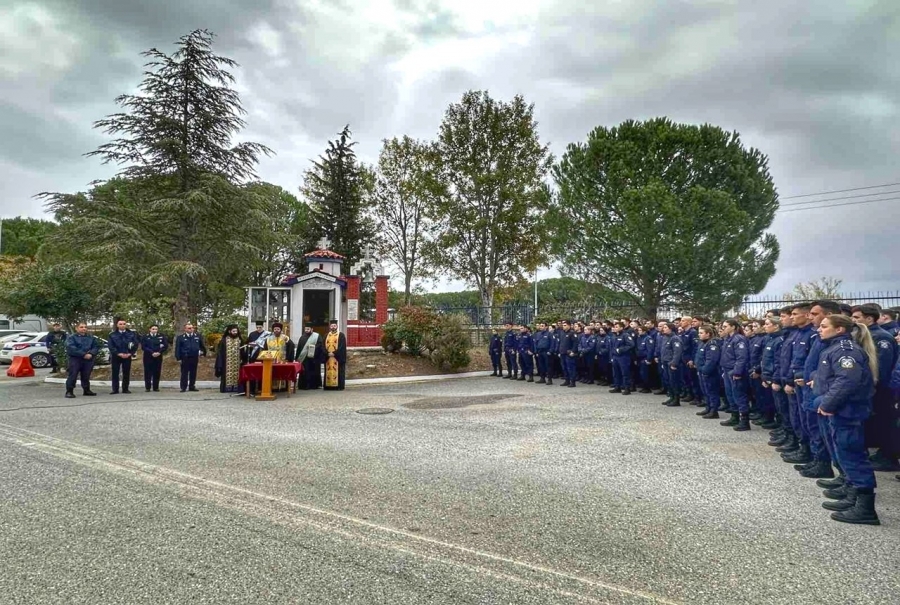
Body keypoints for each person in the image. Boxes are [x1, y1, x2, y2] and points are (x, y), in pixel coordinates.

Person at [813, 314, 881, 525]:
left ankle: (865, 508)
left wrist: (827, 404)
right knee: (845, 452)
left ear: (840, 329)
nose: (819, 329)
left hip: (847, 411)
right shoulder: (835, 348)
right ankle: (852, 494)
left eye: (824, 326)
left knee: (852, 454)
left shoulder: (845, 350)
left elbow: (846, 381)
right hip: (842, 411)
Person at [851, 304, 900, 472]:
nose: (853, 321)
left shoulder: (881, 337)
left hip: (881, 390)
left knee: (885, 423)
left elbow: (880, 368)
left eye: (857, 317)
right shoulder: (865, 335)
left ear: (869, 319)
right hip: (870, 389)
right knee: (875, 423)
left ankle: (889, 457)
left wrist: (870, 386)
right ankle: (882, 454)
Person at [719, 319, 751, 430]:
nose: (724, 328)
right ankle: (734, 416)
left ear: (733, 327)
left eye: (726, 326)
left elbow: (741, 358)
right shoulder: (727, 339)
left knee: (739, 395)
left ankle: (744, 421)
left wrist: (737, 372)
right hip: (727, 370)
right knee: (730, 394)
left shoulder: (738, 339)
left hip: (734, 371)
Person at [64, 323, 99, 398]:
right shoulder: (72, 338)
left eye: (85, 327)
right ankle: (69, 391)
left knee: (86, 375)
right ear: (76, 328)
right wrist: (83, 354)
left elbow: (96, 346)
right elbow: (71, 348)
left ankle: (86, 390)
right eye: (81, 327)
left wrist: (91, 354)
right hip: (75, 359)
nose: (84, 328)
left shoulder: (91, 337)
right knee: (73, 375)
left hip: (88, 359)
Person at [107, 318, 140, 394]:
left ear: (126, 325)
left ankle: (125, 388)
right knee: (115, 373)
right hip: (116, 356)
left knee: (126, 372)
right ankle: (115, 389)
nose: (122, 325)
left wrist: (130, 353)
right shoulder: (112, 334)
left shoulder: (132, 334)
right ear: (117, 325)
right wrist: (118, 353)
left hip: (127, 356)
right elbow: (111, 346)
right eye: (120, 324)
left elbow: (135, 344)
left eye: (124, 324)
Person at [174, 323, 206, 392]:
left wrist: (203, 353)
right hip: (185, 357)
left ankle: (192, 386)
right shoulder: (180, 338)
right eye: (189, 328)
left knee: (193, 372)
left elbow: (202, 346)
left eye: (192, 328)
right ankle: (183, 387)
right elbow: (177, 348)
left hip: (194, 357)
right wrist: (178, 358)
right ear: (185, 329)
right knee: (184, 373)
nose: (191, 329)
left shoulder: (197, 336)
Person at [215, 324, 247, 393]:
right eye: (234, 331)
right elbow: (220, 352)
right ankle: (227, 388)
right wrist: (219, 363)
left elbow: (243, 351)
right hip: (226, 363)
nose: (235, 332)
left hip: (237, 362)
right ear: (229, 331)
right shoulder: (224, 340)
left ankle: (237, 388)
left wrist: (243, 358)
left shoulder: (240, 339)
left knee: (238, 374)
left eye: (236, 331)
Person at [659, 322, 684, 406]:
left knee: (674, 381)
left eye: (665, 327)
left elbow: (677, 352)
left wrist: (674, 363)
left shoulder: (675, 338)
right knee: (668, 381)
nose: (663, 329)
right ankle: (671, 397)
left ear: (671, 329)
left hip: (671, 363)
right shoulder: (665, 337)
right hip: (665, 362)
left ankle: (676, 399)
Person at [609, 321, 635, 395]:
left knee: (625, 373)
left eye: (617, 327)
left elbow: (631, 345)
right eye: (615, 327)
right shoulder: (614, 336)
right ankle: (617, 386)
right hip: (615, 356)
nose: (615, 328)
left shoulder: (625, 335)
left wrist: (621, 349)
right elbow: (611, 347)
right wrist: (611, 356)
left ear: (621, 327)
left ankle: (627, 388)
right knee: (616, 372)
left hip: (623, 357)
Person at [296, 324, 324, 390]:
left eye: (308, 329)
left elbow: (320, 345)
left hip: (314, 358)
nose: (307, 330)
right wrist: (297, 358)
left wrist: (313, 347)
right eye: (306, 329)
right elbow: (299, 348)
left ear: (312, 329)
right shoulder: (302, 337)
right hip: (305, 359)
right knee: (305, 372)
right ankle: (303, 385)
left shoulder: (317, 336)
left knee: (313, 371)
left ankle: (314, 385)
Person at [141, 325, 168, 392]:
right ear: (150, 329)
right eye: (153, 329)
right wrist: (152, 352)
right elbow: (144, 347)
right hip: (148, 356)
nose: (154, 330)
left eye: (156, 329)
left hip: (158, 356)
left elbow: (165, 345)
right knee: (147, 372)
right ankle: (148, 387)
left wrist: (159, 352)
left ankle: (156, 387)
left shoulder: (161, 336)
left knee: (157, 372)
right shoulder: (145, 336)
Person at [323, 319, 347, 390]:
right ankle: (328, 386)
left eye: (334, 325)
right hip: (328, 357)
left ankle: (338, 386)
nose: (333, 327)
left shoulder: (341, 335)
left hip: (337, 357)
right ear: (330, 326)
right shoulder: (326, 335)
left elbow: (342, 346)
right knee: (328, 371)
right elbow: (322, 346)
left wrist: (334, 353)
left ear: (337, 326)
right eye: (332, 326)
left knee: (339, 372)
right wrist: (327, 353)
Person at [557, 320, 577, 388]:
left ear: (569, 325)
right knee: (564, 367)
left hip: (569, 353)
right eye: (563, 325)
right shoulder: (562, 333)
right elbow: (560, 343)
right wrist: (559, 351)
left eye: (565, 325)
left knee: (570, 368)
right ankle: (567, 380)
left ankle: (572, 381)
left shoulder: (572, 333)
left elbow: (575, 343)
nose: (563, 326)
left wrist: (573, 351)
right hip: (562, 353)